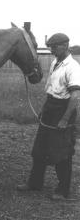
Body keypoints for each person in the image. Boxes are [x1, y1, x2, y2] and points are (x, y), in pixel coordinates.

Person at [17, 33, 80, 200]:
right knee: (39, 149)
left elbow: (74, 97)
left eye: (54, 47)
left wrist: (65, 119)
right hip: (50, 107)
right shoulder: (55, 62)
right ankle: (35, 183)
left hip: (63, 109)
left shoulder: (73, 67)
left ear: (65, 46)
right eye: (51, 47)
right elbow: (52, 89)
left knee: (62, 152)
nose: (52, 50)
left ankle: (63, 190)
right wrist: (43, 110)